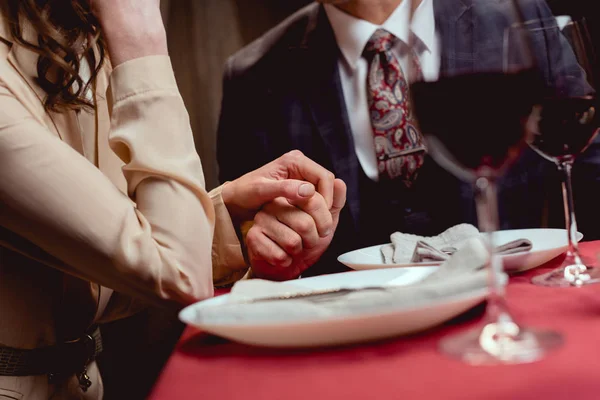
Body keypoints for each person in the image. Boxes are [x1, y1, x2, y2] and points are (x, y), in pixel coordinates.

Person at [0, 0, 345, 398]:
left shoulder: (70, 34)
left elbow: (104, 272)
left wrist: (231, 222)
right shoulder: (120, 28)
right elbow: (178, 275)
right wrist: (141, 41)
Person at [216, 0, 600, 282]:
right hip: (359, 338)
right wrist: (265, 249)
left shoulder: (517, 13)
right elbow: (247, 239)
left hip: (514, 309)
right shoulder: (253, 77)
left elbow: (588, 161)